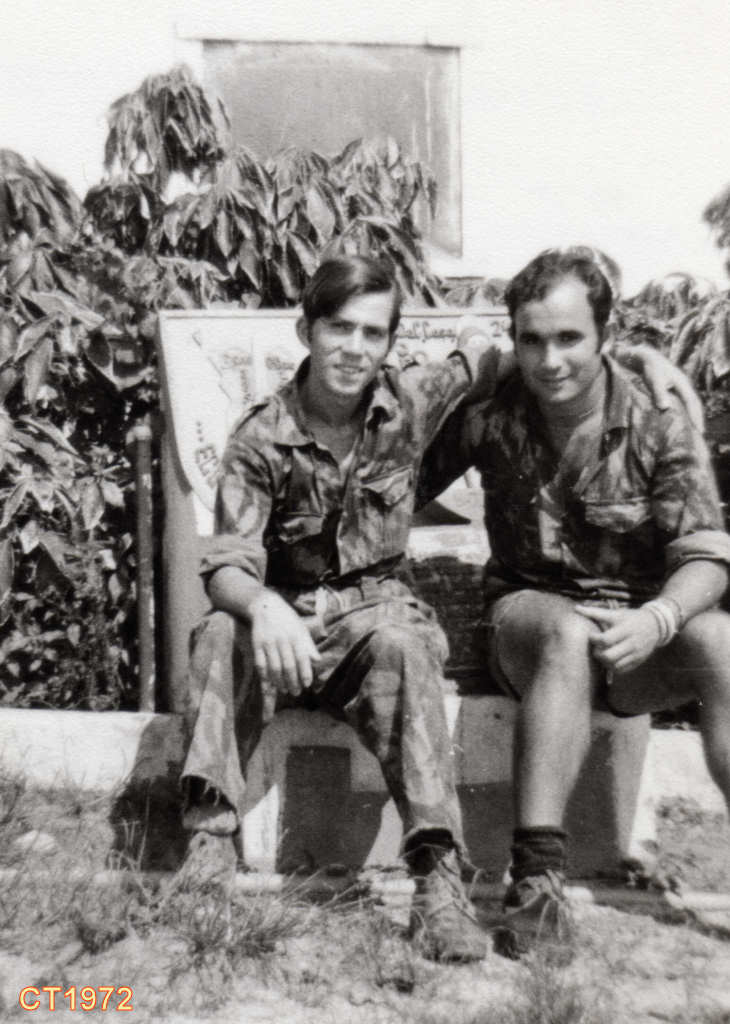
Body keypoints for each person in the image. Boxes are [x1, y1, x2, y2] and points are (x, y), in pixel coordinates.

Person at [179, 254, 495, 963]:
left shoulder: (410, 398)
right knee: (220, 633)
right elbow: (226, 567)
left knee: (405, 643)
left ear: (389, 343)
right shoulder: (260, 437)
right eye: (339, 328)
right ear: (307, 331)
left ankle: (438, 883)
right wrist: (264, 607)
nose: (354, 348)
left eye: (373, 333)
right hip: (281, 627)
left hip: (370, 620)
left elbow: (480, 360)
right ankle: (208, 844)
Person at [419, 248, 730, 957]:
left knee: (721, 641)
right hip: (528, 622)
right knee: (562, 631)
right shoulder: (493, 414)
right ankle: (536, 884)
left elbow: (706, 557)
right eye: (531, 340)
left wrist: (658, 619)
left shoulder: (656, 418)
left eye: (569, 338)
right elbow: (394, 483)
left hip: (633, 638)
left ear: (605, 336)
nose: (550, 360)